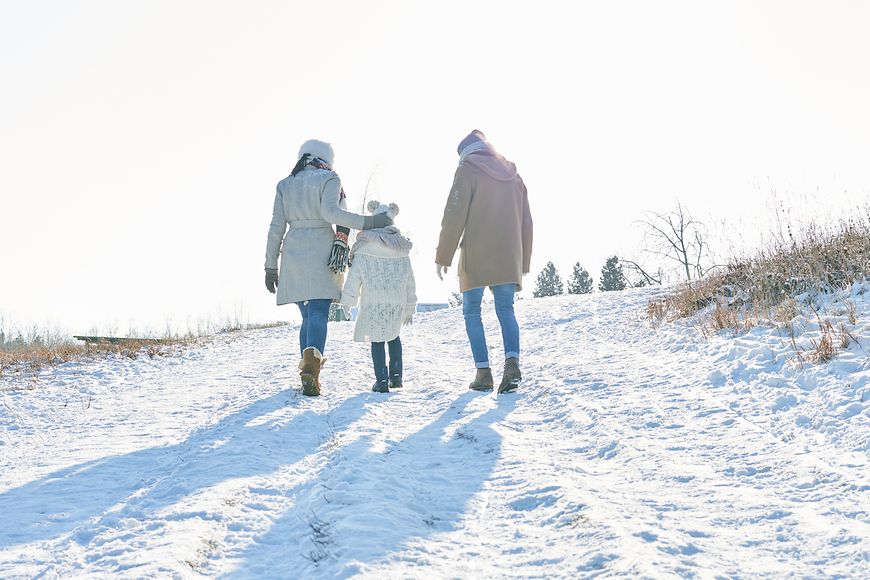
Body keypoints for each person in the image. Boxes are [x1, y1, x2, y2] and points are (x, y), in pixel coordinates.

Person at [264, 139, 392, 396]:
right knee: (320, 312)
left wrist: (270, 266)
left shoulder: (285, 185)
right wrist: (371, 221)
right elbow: (333, 214)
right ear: (327, 159)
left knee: (306, 316)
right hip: (321, 247)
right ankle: (312, 370)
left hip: (293, 251)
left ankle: (306, 371)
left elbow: (276, 227)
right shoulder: (329, 179)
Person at [435, 130, 533, 394]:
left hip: (476, 253)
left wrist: (443, 255)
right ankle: (512, 364)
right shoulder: (513, 174)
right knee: (506, 310)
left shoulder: (467, 170)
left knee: (471, 312)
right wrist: (523, 261)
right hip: (508, 254)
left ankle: (483, 373)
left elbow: (454, 213)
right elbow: (526, 220)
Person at [341, 200, 417, 393]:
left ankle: (382, 380)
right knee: (394, 336)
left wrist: (348, 302)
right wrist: (410, 307)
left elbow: (354, 277)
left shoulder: (364, 246)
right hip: (396, 301)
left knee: (377, 339)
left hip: (373, 300)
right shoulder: (402, 247)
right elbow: (410, 282)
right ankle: (397, 376)